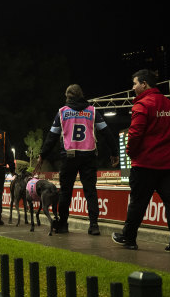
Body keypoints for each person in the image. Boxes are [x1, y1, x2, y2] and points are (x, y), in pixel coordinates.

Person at [112, 69, 170, 253]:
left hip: (145, 164)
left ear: (144, 84)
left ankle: (129, 239)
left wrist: (131, 153)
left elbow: (135, 134)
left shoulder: (142, 105)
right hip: (168, 164)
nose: (133, 87)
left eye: (135, 83)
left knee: (138, 202)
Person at [38, 84, 119, 236]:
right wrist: (114, 152)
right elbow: (107, 133)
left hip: (69, 156)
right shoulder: (93, 111)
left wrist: (42, 155)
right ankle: (94, 225)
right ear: (82, 95)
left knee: (65, 192)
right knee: (90, 192)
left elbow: (52, 137)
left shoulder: (62, 112)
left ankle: (62, 224)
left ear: (68, 97)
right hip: (88, 156)